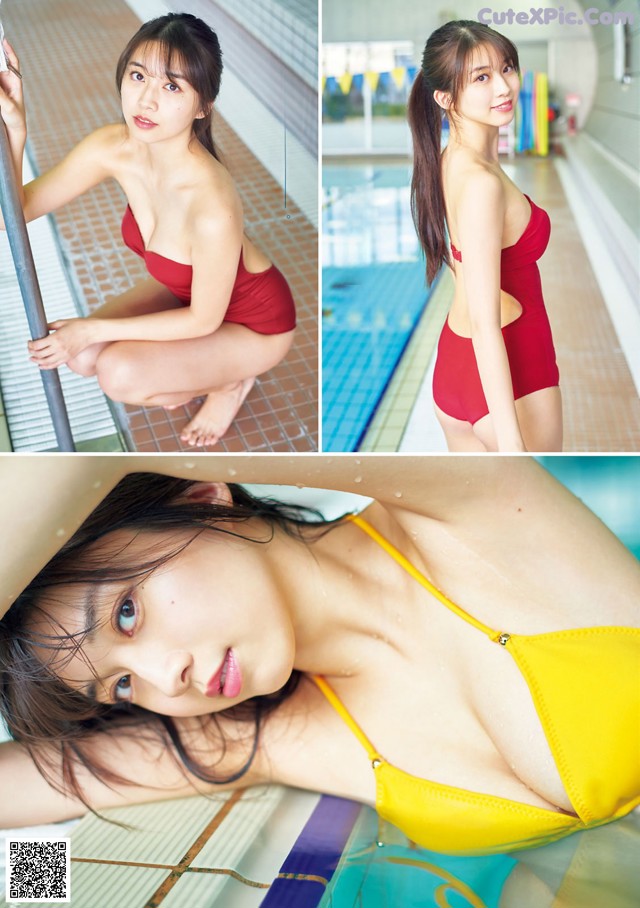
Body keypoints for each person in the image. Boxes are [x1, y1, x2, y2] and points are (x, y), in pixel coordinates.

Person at [0, 455, 638, 859]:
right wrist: (33, 886)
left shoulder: (469, 502)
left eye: (126, 613)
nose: (168, 679)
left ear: (199, 498)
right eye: (120, 686)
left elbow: (81, 465)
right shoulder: (272, 735)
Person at [0, 14, 296, 448]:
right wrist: (16, 129)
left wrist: (91, 328)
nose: (146, 100)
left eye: (172, 86)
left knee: (117, 372)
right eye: (138, 76)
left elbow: (204, 320)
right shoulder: (113, 147)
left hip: (253, 326)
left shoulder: (212, 203)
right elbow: (17, 209)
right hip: (185, 297)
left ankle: (231, 382)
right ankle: (207, 371)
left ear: (203, 106)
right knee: (82, 356)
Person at [408, 21, 562, 453]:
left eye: (507, 68)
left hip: (455, 368)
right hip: (510, 368)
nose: (503, 87)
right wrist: (513, 444)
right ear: (444, 97)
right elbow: (485, 319)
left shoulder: (447, 161)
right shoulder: (480, 183)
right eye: (481, 77)